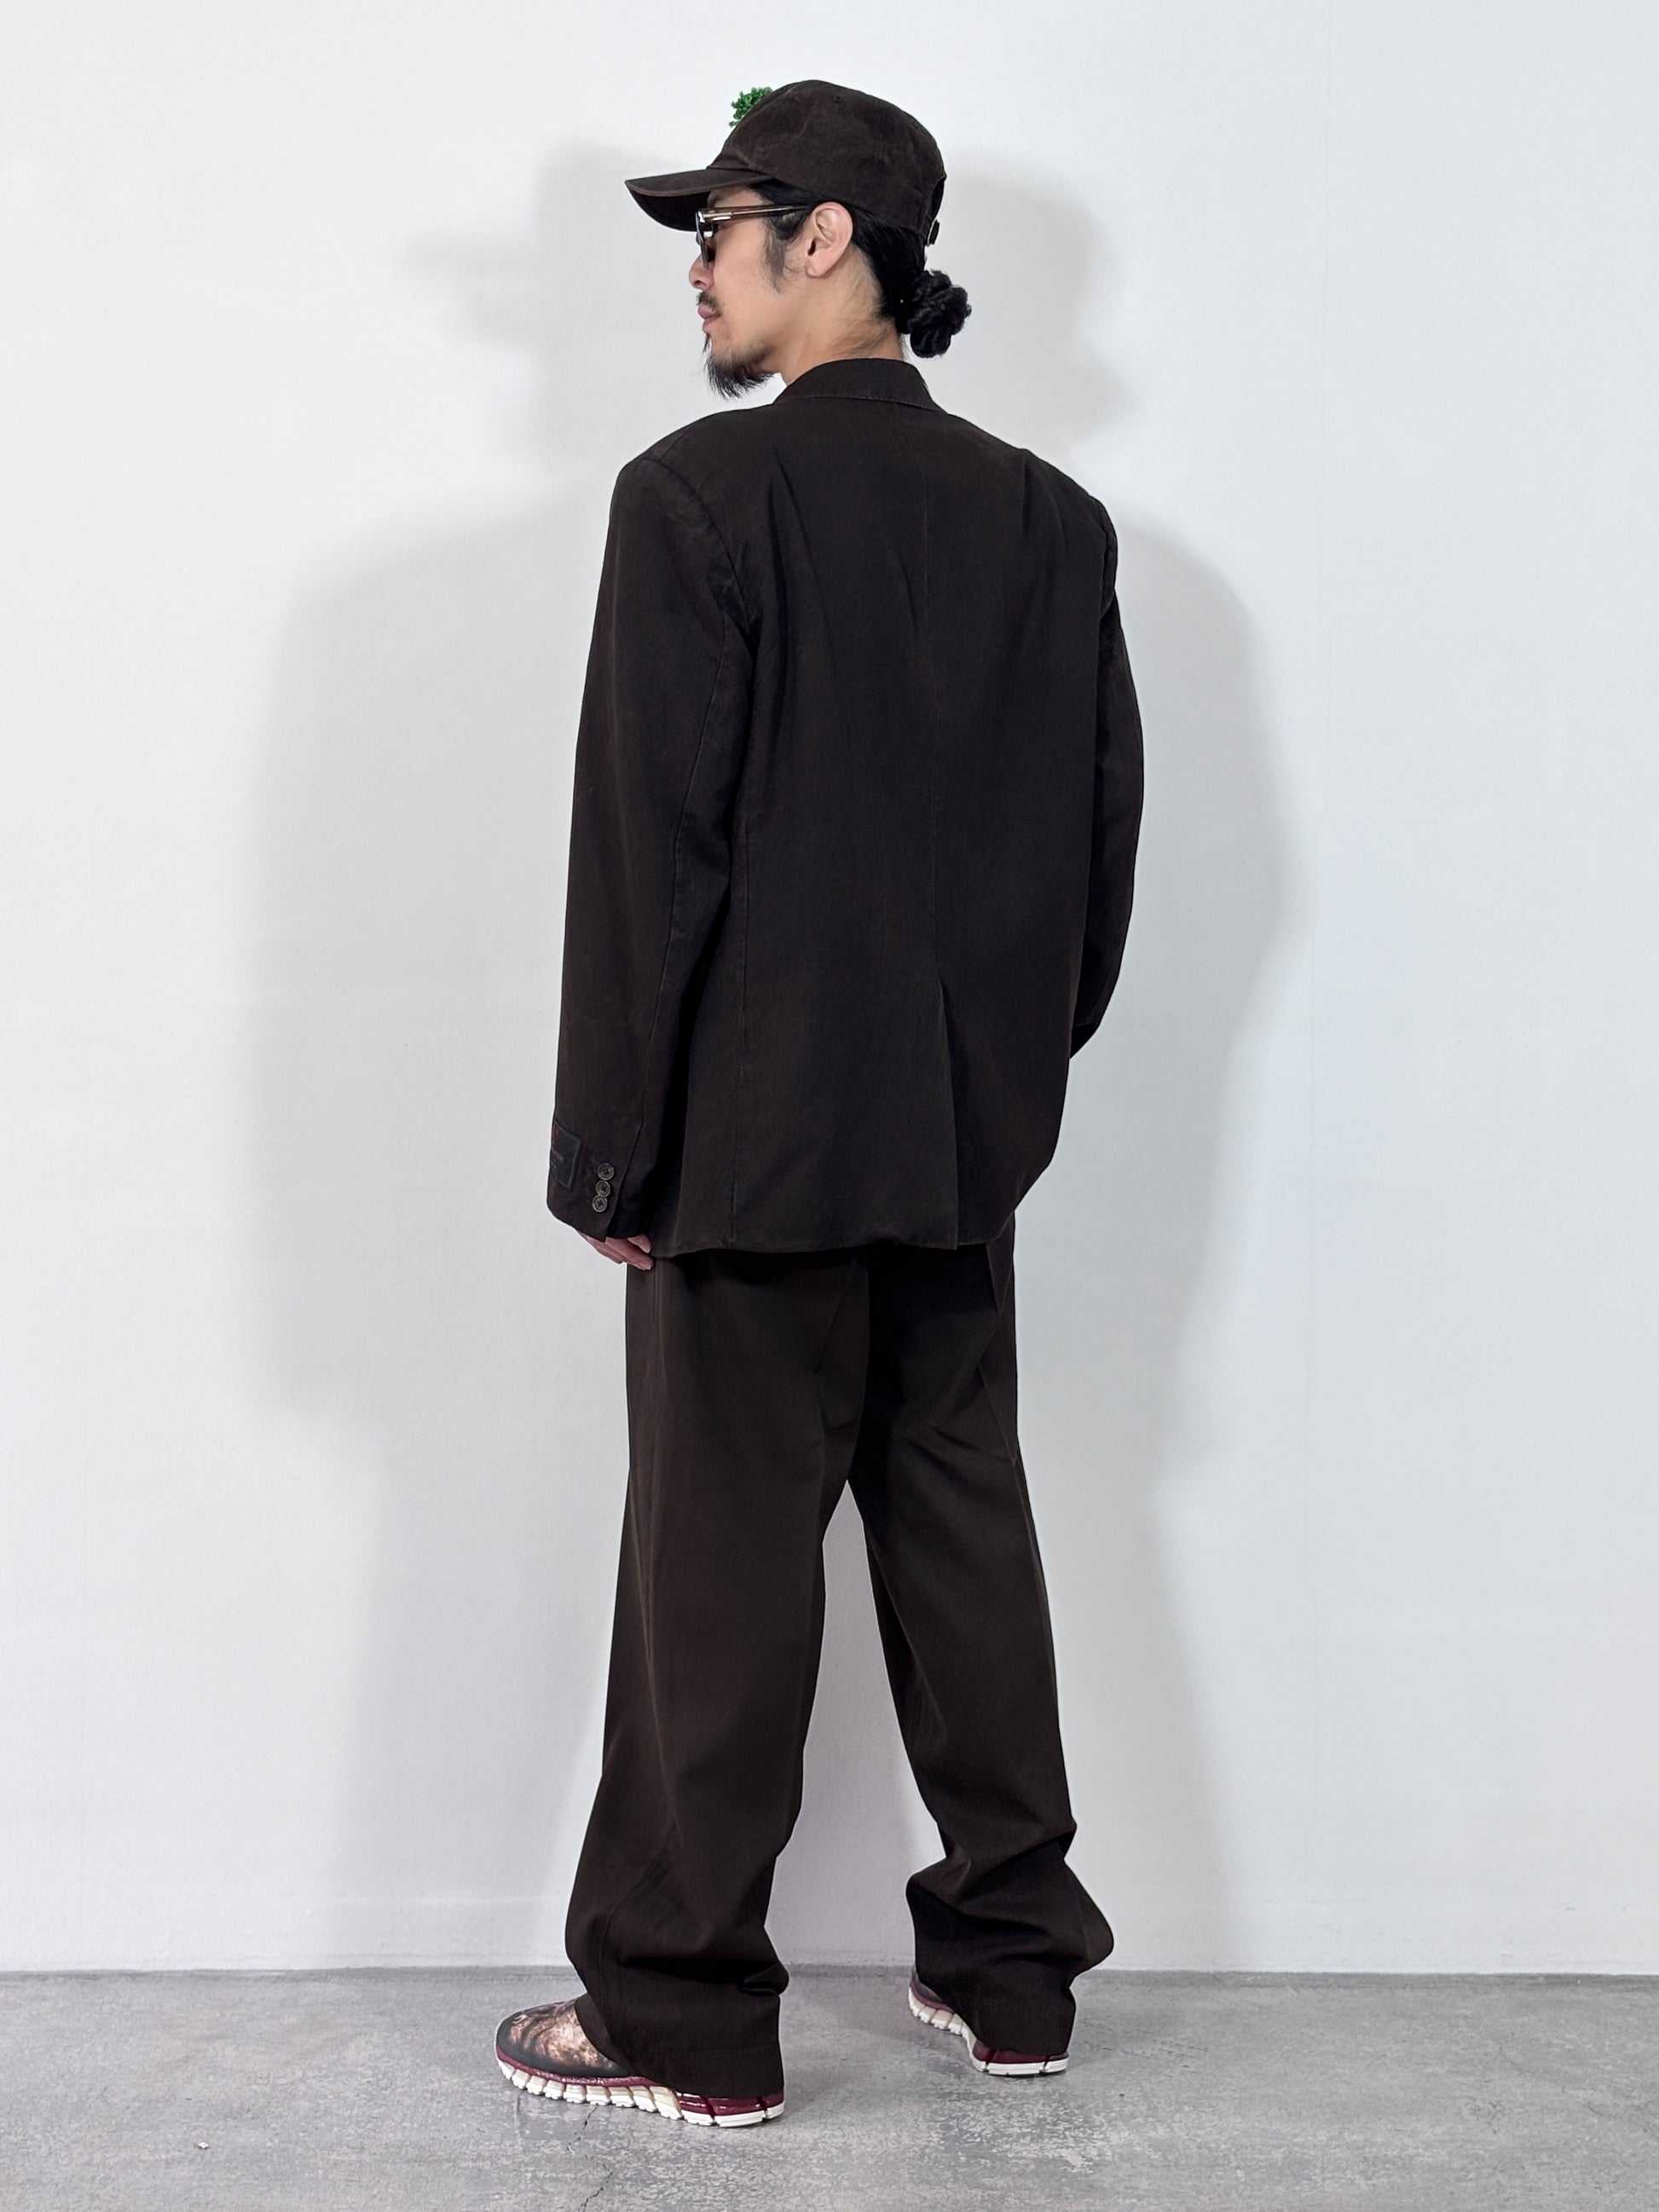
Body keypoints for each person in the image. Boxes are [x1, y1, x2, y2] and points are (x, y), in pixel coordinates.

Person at [494, 78, 1144, 2130]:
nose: (696, 269)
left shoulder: (696, 499)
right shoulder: (1050, 522)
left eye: (719, 228)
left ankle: (682, 2011)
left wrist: (612, 1151)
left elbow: (648, 855)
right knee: (962, 1534)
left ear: (829, 238)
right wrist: (995, 1089)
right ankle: (1012, 1972)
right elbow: (1096, 862)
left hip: (750, 1147)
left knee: (717, 1572)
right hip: (955, 1150)